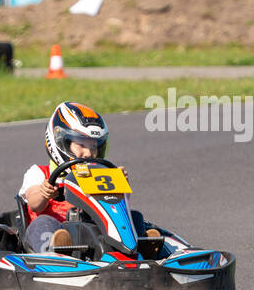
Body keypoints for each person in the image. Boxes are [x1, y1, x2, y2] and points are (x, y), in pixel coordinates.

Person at [18, 101, 161, 253]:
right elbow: (34, 204)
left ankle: (142, 248)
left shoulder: (100, 174)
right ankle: (55, 252)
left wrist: (118, 186)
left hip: (92, 233)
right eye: (81, 144)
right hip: (59, 232)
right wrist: (44, 192)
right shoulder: (39, 173)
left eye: (93, 146)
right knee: (43, 223)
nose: (89, 153)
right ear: (60, 141)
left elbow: (115, 209)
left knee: (135, 217)